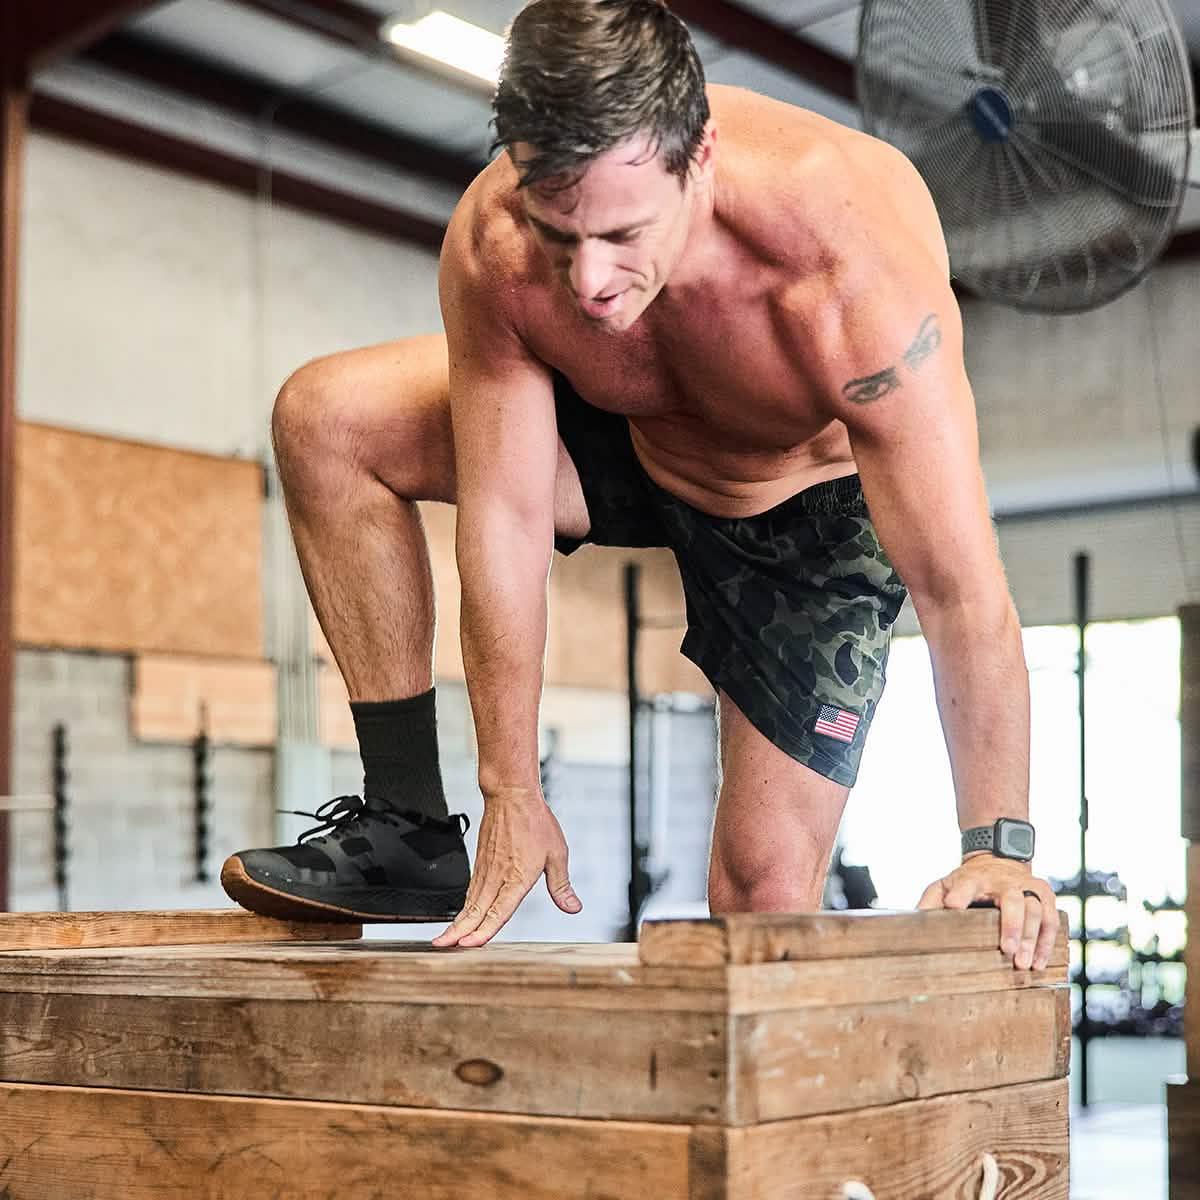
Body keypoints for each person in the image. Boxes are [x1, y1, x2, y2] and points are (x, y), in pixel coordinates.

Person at [221, 0, 1059, 971]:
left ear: (697, 160)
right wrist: (511, 786)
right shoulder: (497, 240)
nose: (591, 283)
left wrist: (997, 849)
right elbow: (509, 512)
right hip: (624, 442)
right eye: (560, 235)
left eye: (624, 233)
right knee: (328, 417)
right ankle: (409, 825)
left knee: (756, 899)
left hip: (804, 515)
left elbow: (961, 591)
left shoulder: (845, 268)